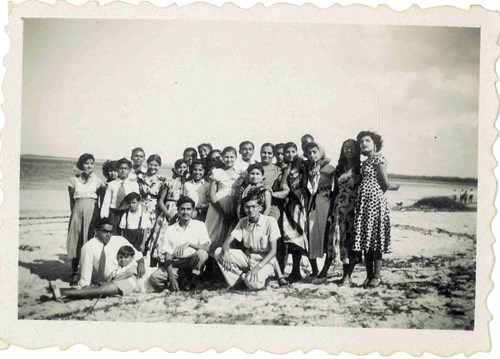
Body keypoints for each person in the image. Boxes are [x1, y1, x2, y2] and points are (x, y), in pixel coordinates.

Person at [215, 193, 282, 290]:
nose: (250, 210)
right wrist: (226, 252)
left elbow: (273, 252)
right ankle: (239, 280)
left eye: (254, 207)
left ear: (260, 208)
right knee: (218, 252)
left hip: (265, 261)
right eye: (247, 207)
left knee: (254, 284)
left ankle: (252, 279)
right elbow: (226, 243)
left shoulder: (270, 221)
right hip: (248, 258)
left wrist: (257, 268)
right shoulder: (243, 221)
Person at [317, 139, 362, 285]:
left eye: (352, 148)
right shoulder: (339, 168)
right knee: (335, 240)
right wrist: (331, 211)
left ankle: (346, 276)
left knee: (349, 241)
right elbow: (334, 191)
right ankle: (325, 271)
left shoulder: (360, 168)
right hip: (338, 208)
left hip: (354, 209)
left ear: (357, 150)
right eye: (346, 148)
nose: (348, 150)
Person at [49, 240, 148, 301]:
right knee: (95, 289)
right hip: (120, 282)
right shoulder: (120, 267)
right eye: (120, 257)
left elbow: (128, 274)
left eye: (126, 257)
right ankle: (65, 295)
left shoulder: (134, 264)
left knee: (98, 290)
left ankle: (63, 292)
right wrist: (106, 281)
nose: (123, 260)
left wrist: (110, 281)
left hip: (129, 284)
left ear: (131, 257)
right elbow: (113, 275)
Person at [353, 131, 391, 288]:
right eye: (361, 141)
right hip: (363, 204)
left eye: (367, 140)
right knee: (365, 240)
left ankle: (377, 276)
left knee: (375, 239)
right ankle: (368, 276)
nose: (364, 143)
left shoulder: (378, 159)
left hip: (375, 203)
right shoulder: (364, 163)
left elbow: (385, 183)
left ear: (375, 144)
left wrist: (374, 196)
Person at [149, 197, 210, 292]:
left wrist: (190, 244)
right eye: (182, 209)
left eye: (188, 209)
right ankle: (180, 282)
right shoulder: (170, 229)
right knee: (154, 278)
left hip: (193, 263)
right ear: (177, 211)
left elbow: (206, 248)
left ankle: (193, 281)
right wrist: (171, 278)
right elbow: (168, 256)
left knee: (202, 254)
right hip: (176, 265)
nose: (185, 212)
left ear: (193, 210)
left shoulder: (199, 225)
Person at [67, 153, 104, 285]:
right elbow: (71, 201)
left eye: (91, 163)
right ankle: (74, 273)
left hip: (92, 212)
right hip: (77, 212)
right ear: (81, 164)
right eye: (86, 163)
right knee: (76, 241)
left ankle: (88, 272)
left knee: (89, 240)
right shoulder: (73, 180)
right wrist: (76, 214)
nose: (89, 165)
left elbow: (101, 199)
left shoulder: (98, 181)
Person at [303, 142, 335, 279]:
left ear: (321, 152)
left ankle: (325, 270)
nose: (312, 155)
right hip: (310, 202)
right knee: (310, 235)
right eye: (309, 153)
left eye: (315, 152)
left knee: (326, 235)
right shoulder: (307, 167)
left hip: (325, 202)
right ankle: (314, 269)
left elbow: (336, 189)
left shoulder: (329, 168)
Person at [146, 160, 187, 267]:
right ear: (175, 168)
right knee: (161, 237)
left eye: (184, 167)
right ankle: (155, 263)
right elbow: (160, 201)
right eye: (179, 167)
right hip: (168, 211)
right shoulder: (168, 182)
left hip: (180, 212)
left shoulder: (185, 183)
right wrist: (168, 214)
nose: (182, 170)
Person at [205, 146, 244, 255]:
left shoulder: (240, 173)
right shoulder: (217, 172)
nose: (229, 160)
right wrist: (221, 213)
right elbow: (212, 195)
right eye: (226, 157)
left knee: (227, 236)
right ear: (222, 157)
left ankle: (221, 265)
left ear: (236, 157)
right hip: (217, 208)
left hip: (232, 208)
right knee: (213, 234)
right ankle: (207, 264)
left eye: (232, 157)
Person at [280, 142, 309, 282]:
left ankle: (297, 270)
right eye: (287, 152)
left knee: (297, 237)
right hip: (288, 204)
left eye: (293, 151)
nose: (290, 154)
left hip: (299, 203)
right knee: (289, 239)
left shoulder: (301, 164)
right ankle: (294, 270)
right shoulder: (284, 167)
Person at [100, 158, 140, 233]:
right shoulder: (112, 184)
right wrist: (104, 217)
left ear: (130, 170)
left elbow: (137, 202)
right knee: (113, 235)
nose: (123, 170)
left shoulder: (134, 184)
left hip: (128, 213)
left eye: (126, 168)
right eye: (121, 168)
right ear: (117, 169)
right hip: (114, 214)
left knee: (126, 234)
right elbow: (106, 202)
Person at [138, 154, 166, 224]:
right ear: (147, 164)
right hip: (140, 207)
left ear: (159, 165)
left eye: (156, 165)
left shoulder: (162, 180)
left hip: (154, 209)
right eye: (151, 164)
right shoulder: (141, 177)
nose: (153, 167)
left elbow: (162, 199)